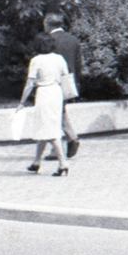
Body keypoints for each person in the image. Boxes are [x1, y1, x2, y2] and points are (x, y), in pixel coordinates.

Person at [16, 34, 70, 176]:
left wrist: (22, 102)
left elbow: (30, 84)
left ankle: (63, 162)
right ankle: (36, 161)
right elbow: (66, 77)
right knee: (45, 127)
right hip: (57, 92)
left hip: (44, 93)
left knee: (50, 130)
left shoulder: (36, 61)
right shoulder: (59, 58)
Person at [45, 12, 83, 158]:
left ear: (47, 24)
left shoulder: (49, 40)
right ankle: (70, 139)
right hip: (68, 81)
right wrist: (76, 82)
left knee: (53, 114)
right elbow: (78, 63)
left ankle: (64, 143)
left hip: (52, 82)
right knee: (60, 112)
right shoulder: (73, 39)